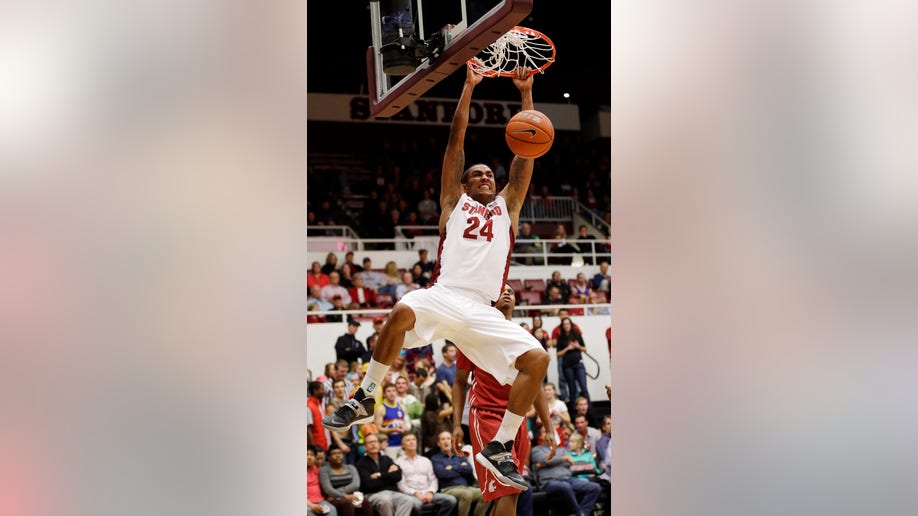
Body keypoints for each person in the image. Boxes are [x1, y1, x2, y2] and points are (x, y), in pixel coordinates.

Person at [324, 63, 549, 492]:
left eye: (490, 173)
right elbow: (455, 142)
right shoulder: (453, 203)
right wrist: (468, 86)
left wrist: (526, 95)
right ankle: (366, 394)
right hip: (446, 295)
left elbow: (526, 152)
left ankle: (500, 445)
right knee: (402, 309)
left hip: (483, 311)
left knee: (538, 360)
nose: (486, 176)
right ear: (463, 184)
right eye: (477, 174)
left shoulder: (509, 208)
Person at [451, 283, 553, 516]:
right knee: (508, 490)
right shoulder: (474, 333)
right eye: (501, 289)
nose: (507, 292)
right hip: (487, 416)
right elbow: (458, 381)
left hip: (516, 421)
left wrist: (548, 426)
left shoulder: (524, 338)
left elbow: (535, 383)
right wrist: (456, 424)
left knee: (511, 490)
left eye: (511, 291)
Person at [531, 426, 602, 516]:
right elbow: (544, 460)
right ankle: (579, 512)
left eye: (551, 432)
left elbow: (568, 464)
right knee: (564, 486)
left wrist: (548, 463)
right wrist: (564, 459)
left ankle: (584, 512)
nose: (548, 435)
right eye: (545, 432)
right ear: (540, 436)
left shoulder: (561, 449)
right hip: (548, 482)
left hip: (568, 479)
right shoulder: (536, 450)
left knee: (595, 487)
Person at [395, 433, 458, 516]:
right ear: (403, 445)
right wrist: (416, 494)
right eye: (408, 440)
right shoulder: (398, 462)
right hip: (410, 495)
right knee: (416, 504)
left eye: (413, 440)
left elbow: (433, 479)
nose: (411, 442)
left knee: (451, 500)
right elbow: (401, 485)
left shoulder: (425, 460)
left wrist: (430, 492)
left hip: (427, 492)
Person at [430, 431, 490, 516]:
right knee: (467, 495)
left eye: (448, 439)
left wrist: (452, 467)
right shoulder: (436, 458)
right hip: (448, 488)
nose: (446, 441)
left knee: (485, 494)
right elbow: (442, 474)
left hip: (465, 487)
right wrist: (460, 467)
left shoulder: (458, 455)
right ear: (439, 443)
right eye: (443, 439)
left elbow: (468, 469)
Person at [355, 433, 415, 516]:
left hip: (391, 492)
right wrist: (388, 476)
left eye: (375, 442)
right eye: (370, 442)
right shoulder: (361, 463)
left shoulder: (386, 459)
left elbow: (398, 476)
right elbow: (368, 484)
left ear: (379, 444)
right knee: (385, 501)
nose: (373, 444)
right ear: (365, 447)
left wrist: (379, 475)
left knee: (408, 500)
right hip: (373, 494)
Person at [320, 446, 373, 516]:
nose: (338, 455)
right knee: (347, 503)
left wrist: (340, 494)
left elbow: (356, 485)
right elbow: (327, 489)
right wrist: (344, 496)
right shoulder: (324, 470)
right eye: (334, 453)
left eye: (340, 453)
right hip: (334, 499)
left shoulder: (351, 467)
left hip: (340, 495)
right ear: (329, 457)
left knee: (365, 501)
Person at [555, 317, 590, 405]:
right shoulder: (560, 338)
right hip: (567, 366)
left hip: (578, 364)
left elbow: (584, 348)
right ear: (562, 326)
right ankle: (574, 412)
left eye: (568, 323)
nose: (566, 325)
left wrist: (578, 346)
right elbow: (558, 354)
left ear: (571, 325)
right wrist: (567, 348)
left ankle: (589, 410)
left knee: (584, 388)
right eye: (564, 324)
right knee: (572, 389)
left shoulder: (577, 335)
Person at [375, 382, 410, 460]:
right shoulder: (381, 409)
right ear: (384, 394)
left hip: (402, 444)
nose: (392, 393)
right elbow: (378, 428)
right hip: (389, 445)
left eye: (394, 391)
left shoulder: (402, 407)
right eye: (389, 391)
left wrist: (405, 428)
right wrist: (393, 429)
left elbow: (408, 425)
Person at [308, 446, 339, 516]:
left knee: (332, 509)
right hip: (307, 503)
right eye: (306, 455)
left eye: (312, 455)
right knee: (309, 512)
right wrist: (312, 505)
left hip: (320, 500)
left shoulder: (317, 469)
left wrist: (329, 495)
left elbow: (324, 485)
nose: (309, 457)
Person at [308, 381, 329, 451]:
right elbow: (308, 429)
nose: (324, 391)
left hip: (324, 445)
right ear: (315, 391)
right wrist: (314, 448)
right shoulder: (309, 406)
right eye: (322, 389)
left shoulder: (320, 404)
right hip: (317, 447)